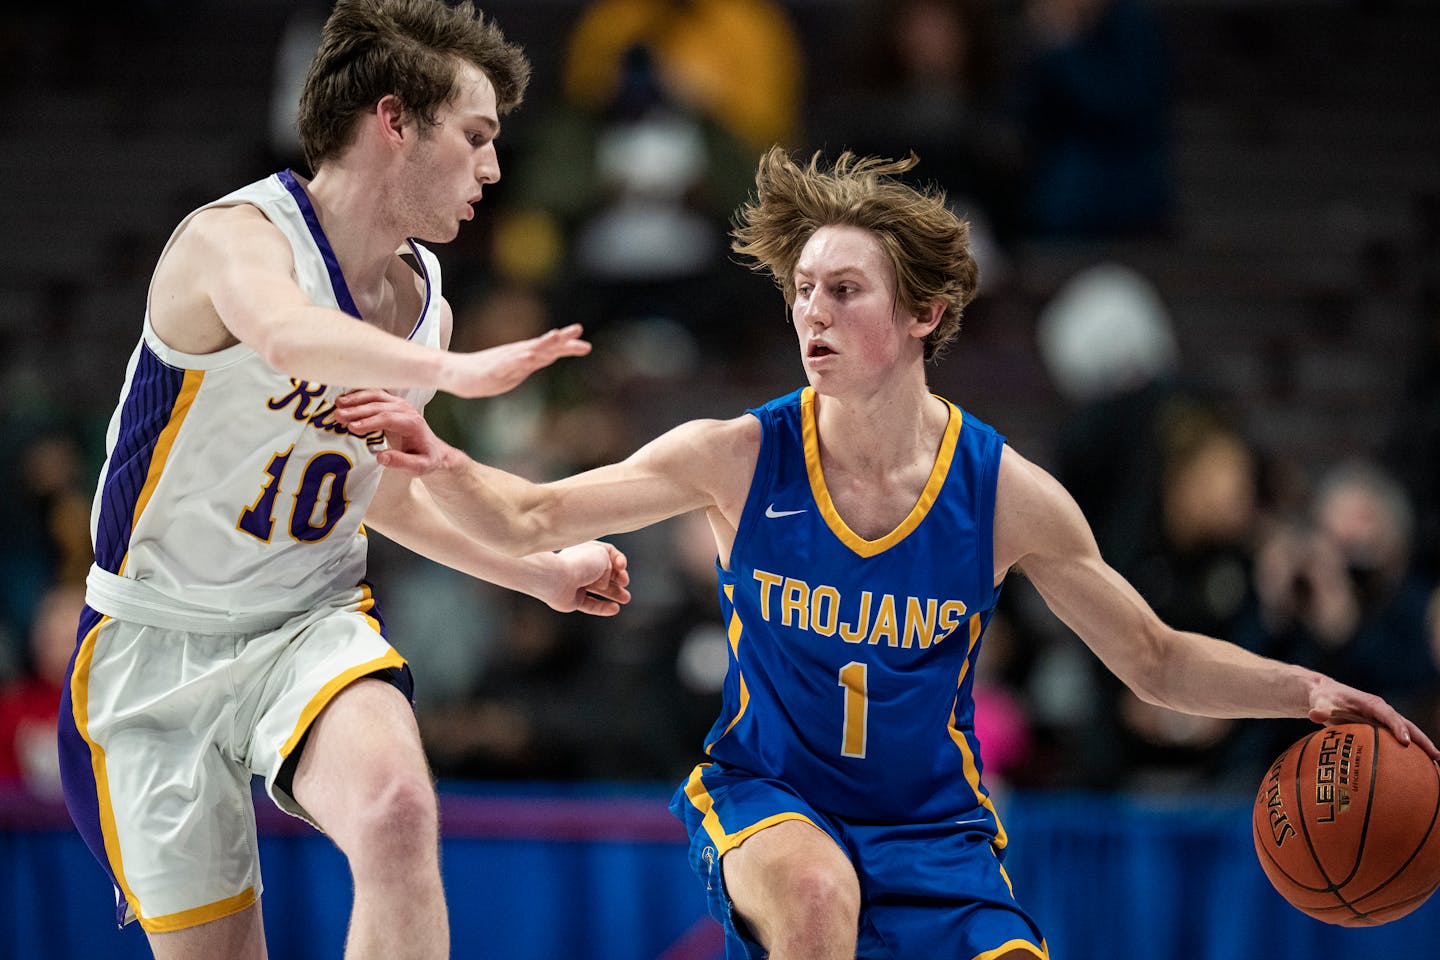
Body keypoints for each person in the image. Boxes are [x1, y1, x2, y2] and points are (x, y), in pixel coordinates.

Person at [335, 147, 1439, 960]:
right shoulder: (736, 455)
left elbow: (1150, 659)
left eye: (844, 289)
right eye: (802, 288)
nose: (811, 309)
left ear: (926, 314)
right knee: (817, 904)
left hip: (934, 827)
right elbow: (532, 517)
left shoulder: (1002, 493)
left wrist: (1306, 692)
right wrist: (439, 457)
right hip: (770, 793)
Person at [58, 2, 630, 958]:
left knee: (400, 811)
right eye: (476, 137)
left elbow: (386, 488)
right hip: (152, 646)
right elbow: (283, 332)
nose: (493, 169)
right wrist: (453, 374)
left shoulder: (422, 302)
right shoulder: (231, 239)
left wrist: (533, 573)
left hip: (305, 624)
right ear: (394, 119)